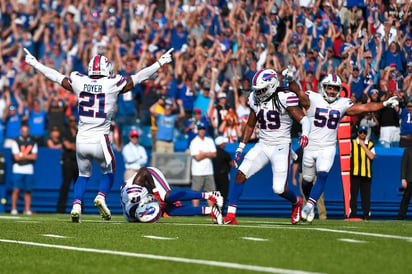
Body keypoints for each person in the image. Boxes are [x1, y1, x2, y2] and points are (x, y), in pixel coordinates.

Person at [24, 47, 174, 222]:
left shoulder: (79, 80)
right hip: (100, 138)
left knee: (83, 175)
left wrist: (35, 64)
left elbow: (57, 77)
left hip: (81, 139)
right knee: (109, 171)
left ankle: (76, 205)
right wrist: (160, 63)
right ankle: (101, 197)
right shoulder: (113, 82)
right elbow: (139, 77)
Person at [284, 70, 399, 222]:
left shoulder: (342, 104)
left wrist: (384, 104)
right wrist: (292, 79)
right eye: (329, 87)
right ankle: (309, 202)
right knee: (306, 180)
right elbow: (298, 92)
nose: (332, 91)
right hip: (311, 146)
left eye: (335, 88)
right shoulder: (314, 98)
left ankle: (309, 206)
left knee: (323, 172)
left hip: (328, 146)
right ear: (323, 87)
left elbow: (364, 108)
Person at [223, 69, 311, 225]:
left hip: (281, 146)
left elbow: (304, 120)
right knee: (240, 174)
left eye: (262, 90)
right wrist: (240, 147)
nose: (259, 93)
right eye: (257, 90)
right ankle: (230, 215)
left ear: (271, 86)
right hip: (263, 144)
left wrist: (305, 134)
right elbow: (251, 124)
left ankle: (296, 202)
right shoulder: (254, 99)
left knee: (279, 189)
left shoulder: (283, 98)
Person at [120, 167, 223, 224]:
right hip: (145, 194)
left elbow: (144, 171)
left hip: (150, 175)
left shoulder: (133, 192)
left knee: (166, 196)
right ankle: (212, 210)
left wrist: (156, 192)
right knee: (170, 211)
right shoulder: (131, 216)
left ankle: (210, 194)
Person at [291, 146, 327, 220]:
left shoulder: (317, 149)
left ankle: (322, 216)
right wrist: (293, 177)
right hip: (303, 174)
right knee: (305, 195)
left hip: (316, 174)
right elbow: (295, 164)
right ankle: (305, 214)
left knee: (319, 196)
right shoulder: (300, 150)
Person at [349, 126, 375, 220]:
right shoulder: (352, 143)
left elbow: (372, 156)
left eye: (364, 132)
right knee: (353, 195)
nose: (363, 134)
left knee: (366, 196)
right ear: (358, 133)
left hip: (366, 174)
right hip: (354, 173)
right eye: (361, 132)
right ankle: (352, 213)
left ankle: (366, 214)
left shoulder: (370, 144)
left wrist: (363, 146)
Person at [10, 124, 38, 215]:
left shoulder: (33, 143)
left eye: (26, 131)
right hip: (18, 169)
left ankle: (27, 209)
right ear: (20, 131)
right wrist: (27, 156)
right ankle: (14, 208)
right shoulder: (15, 142)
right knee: (16, 189)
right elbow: (16, 158)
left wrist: (22, 155)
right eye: (23, 131)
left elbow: (34, 157)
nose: (25, 133)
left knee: (28, 190)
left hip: (29, 169)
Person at [189, 122, 217, 207]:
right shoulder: (194, 142)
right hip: (198, 171)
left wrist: (203, 153)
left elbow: (214, 154)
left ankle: (211, 211)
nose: (202, 131)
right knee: (196, 192)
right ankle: (195, 211)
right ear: (198, 130)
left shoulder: (209, 140)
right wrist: (208, 154)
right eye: (200, 129)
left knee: (210, 192)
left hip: (208, 171)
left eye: (203, 129)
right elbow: (197, 157)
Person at [56, 115, 78, 213]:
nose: (72, 122)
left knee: (78, 186)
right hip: (68, 161)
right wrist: (75, 146)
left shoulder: (80, 132)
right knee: (65, 185)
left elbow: (80, 147)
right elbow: (68, 146)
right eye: (70, 121)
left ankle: (79, 208)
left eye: (74, 121)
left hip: (77, 162)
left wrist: (73, 146)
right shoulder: (64, 132)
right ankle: (61, 208)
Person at [213, 136, 234, 209]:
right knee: (223, 194)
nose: (225, 144)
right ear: (221, 144)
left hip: (215, 175)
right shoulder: (225, 154)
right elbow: (232, 164)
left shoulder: (213, 153)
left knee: (216, 193)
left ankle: (216, 208)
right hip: (223, 175)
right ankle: (220, 210)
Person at [397, 147, 412, 220]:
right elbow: (404, 165)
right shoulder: (407, 151)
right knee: (405, 199)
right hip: (409, 180)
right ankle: (401, 216)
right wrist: (403, 178)